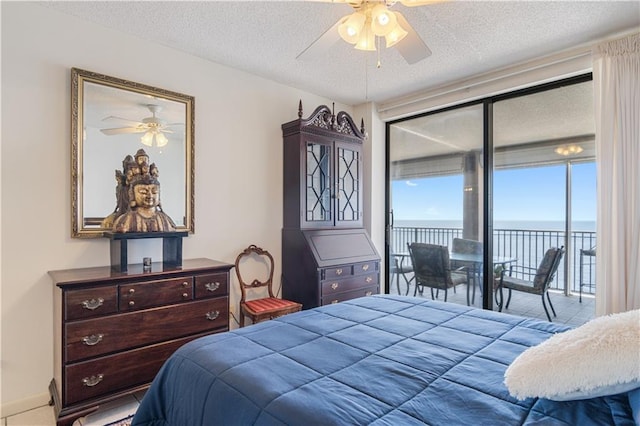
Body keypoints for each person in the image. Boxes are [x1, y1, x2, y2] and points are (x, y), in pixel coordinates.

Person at [110, 149, 176, 233]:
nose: (150, 196)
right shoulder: (125, 221)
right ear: (132, 194)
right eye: (143, 192)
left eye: (154, 192)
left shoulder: (165, 220)